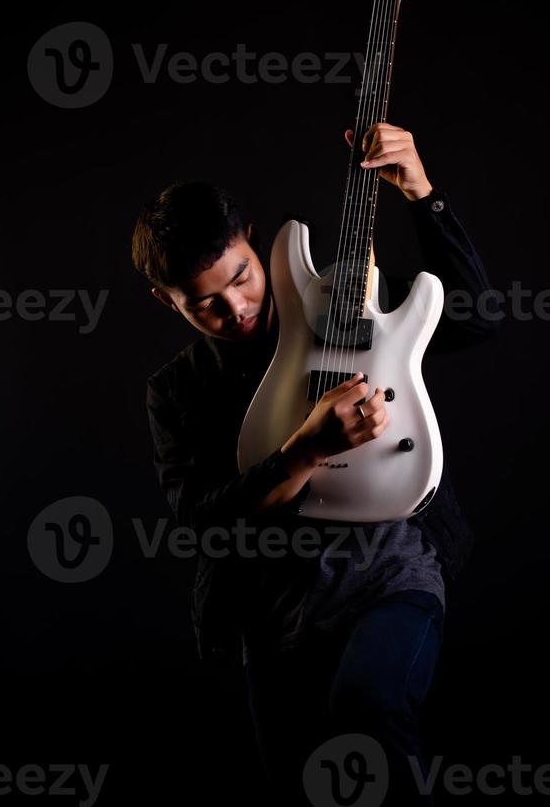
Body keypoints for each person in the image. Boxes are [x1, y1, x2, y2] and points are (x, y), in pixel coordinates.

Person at [132, 123, 498, 806]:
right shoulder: (176, 391)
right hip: (271, 607)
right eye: (202, 302)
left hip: (389, 567)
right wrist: (304, 451)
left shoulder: (335, 309)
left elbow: (475, 321)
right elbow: (207, 523)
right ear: (166, 301)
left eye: (241, 275)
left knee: (370, 720)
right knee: (297, 789)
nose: (235, 307)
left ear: (254, 240)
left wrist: (421, 193)